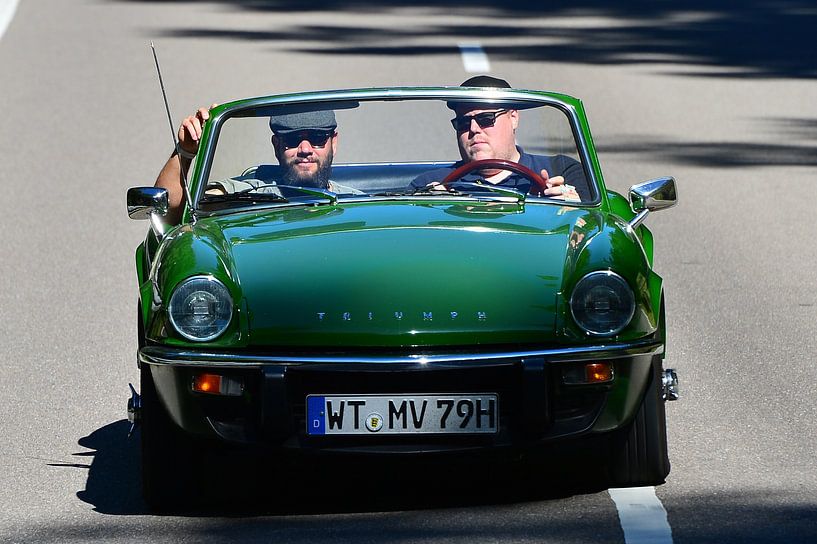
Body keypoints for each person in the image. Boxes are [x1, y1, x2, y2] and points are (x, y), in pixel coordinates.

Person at [154, 105, 350, 224]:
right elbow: (168, 210)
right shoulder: (246, 195)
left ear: (334, 143)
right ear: (276, 145)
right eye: (292, 139)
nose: (305, 149)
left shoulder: (359, 202)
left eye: (317, 138)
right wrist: (185, 150)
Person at [410, 75, 589, 201]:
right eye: (463, 123)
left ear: (513, 118)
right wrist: (430, 207)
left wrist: (571, 203)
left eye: (485, 119)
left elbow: (591, 227)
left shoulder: (562, 170)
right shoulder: (430, 184)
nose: (473, 129)